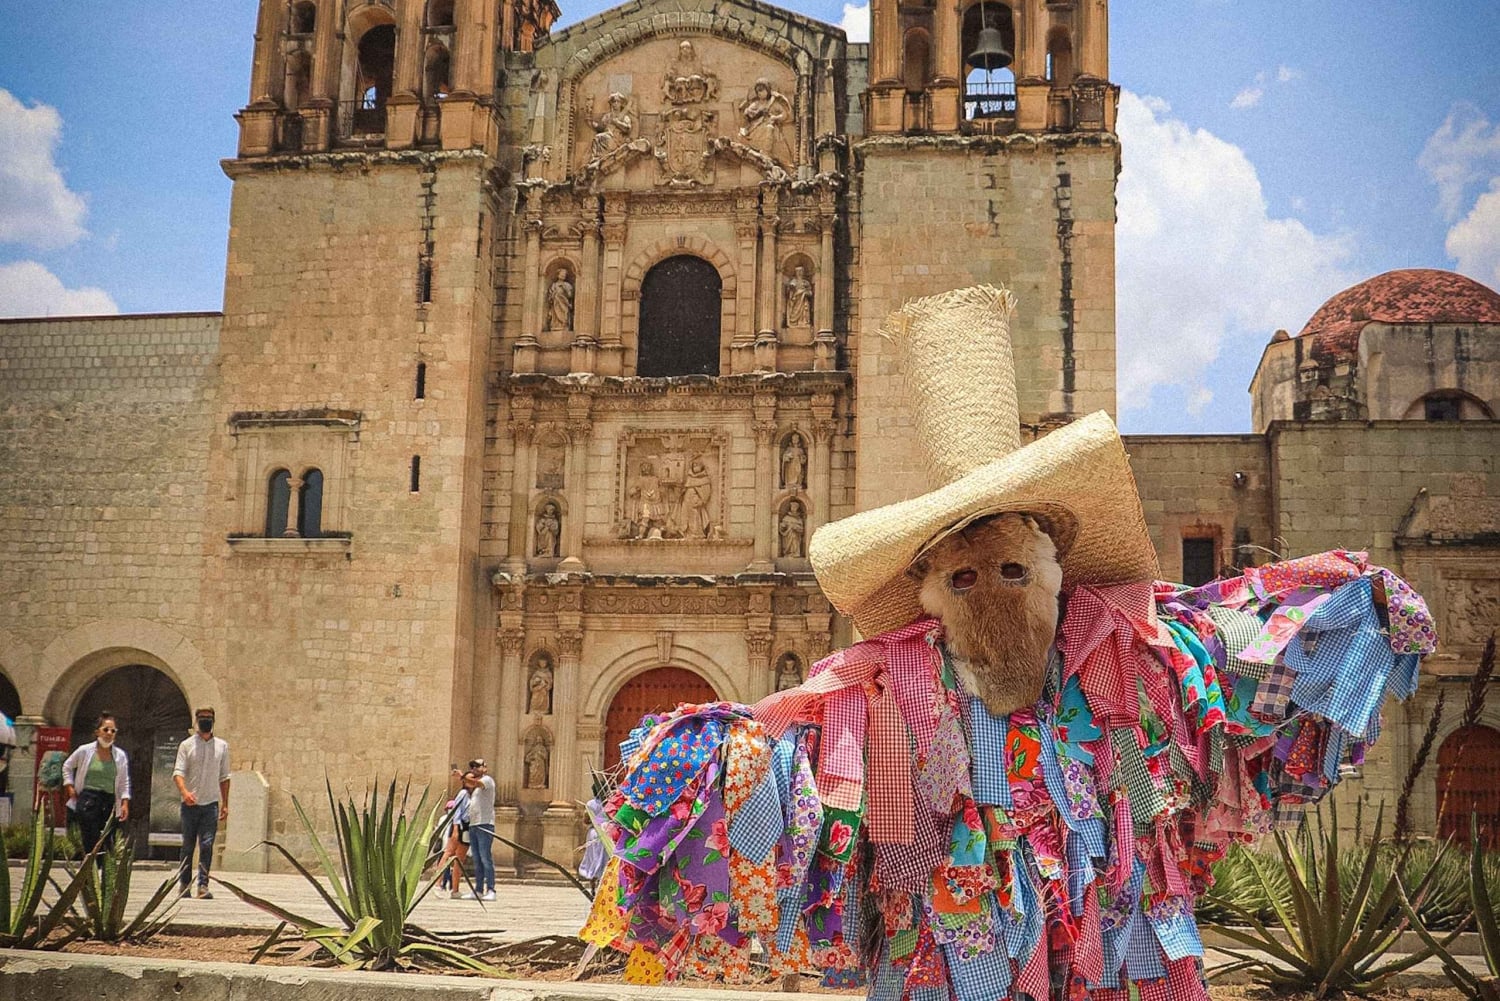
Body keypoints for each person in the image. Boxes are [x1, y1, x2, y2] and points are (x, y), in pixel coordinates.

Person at [173, 707, 230, 899]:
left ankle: (203, 885)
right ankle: (184, 884)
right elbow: (178, 773)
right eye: (202, 717)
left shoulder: (222, 746)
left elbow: (224, 777)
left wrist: (225, 803)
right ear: (196, 720)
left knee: (207, 845)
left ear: (214, 720)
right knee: (188, 845)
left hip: (210, 804)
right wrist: (185, 792)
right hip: (189, 805)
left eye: (209, 717)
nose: (206, 720)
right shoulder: (186, 745)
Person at [62, 712, 130, 859]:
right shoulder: (84, 751)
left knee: (108, 840)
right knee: (90, 838)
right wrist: (69, 786)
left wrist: (124, 802)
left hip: (109, 800)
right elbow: (67, 766)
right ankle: (90, 870)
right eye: (106, 729)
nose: (109, 733)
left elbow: (124, 780)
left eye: (113, 731)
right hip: (88, 799)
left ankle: (103, 870)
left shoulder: (120, 756)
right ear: (97, 731)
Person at [455, 757, 496, 901]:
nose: (474, 769)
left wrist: (462, 776)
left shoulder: (487, 781)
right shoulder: (475, 790)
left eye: (477, 766)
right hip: (474, 825)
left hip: (485, 824)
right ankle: (478, 890)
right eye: (472, 767)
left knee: (485, 858)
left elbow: (475, 782)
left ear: (485, 768)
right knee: (477, 859)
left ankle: (491, 889)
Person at [438, 770, 476, 897]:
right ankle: (437, 884)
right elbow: (457, 811)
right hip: (459, 826)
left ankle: (455, 889)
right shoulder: (463, 793)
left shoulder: (472, 795)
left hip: (467, 827)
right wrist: (455, 829)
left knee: (460, 859)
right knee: (448, 853)